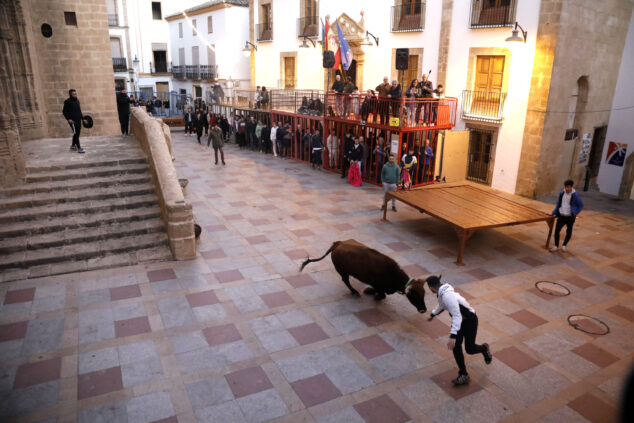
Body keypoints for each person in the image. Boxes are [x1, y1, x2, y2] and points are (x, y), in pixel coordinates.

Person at [426, 275, 492, 385]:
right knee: (456, 347)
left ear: (431, 288)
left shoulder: (447, 296)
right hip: (461, 321)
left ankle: (484, 348)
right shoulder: (442, 292)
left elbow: (457, 316)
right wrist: (433, 314)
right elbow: (441, 305)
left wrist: (453, 336)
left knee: (469, 349)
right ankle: (464, 374)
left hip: (469, 321)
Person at [549, 180, 584, 252]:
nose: (567, 189)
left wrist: (575, 213)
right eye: (565, 187)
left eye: (568, 187)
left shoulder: (575, 196)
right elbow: (558, 204)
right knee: (557, 231)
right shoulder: (562, 193)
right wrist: (554, 212)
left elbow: (580, 206)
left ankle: (564, 245)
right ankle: (556, 246)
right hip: (561, 216)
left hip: (570, 217)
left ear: (571, 187)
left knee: (569, 231)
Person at [62, 89, 85, 153]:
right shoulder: (67, 101)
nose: (75, 95)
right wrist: (68, 119)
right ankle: (79, 148)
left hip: (78, 120)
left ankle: (72, 146)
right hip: (72, 121)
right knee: (76, 134)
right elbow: (64, 111)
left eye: (75, 94)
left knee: (77, 134)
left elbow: (79, 111)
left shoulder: (77, 101)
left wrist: (83, 119)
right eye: (73, 94)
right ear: (70, 95)